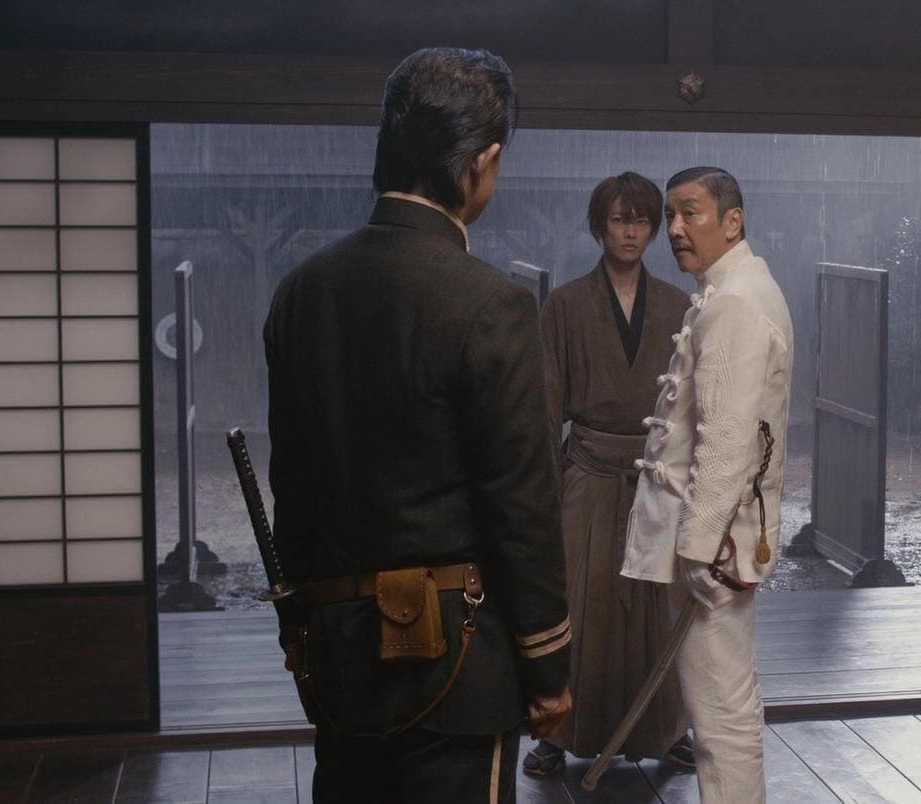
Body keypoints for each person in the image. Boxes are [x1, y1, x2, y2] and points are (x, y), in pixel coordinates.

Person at [262, 47, 572, 803]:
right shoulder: (490, 304)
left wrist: (300, 634)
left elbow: (292, 491)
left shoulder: (301, 293)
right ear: (481, 164)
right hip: (458, 662)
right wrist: (548, 664)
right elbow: (522, 508)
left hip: (338, 656)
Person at [622, 167, 794, 802]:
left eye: (690, 212)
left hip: (714, 547)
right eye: (670, 214)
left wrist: (698, 549)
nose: (674, 228)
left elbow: (726, 440)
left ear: (733, 221)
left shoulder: (735, 303)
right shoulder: (739, 289)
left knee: (720, 716)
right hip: (722, 537)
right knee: (726, 706)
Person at [522, 172, 696, 777]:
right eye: (620, 220)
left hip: (656, 474)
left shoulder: (677, 306)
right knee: (579, 600)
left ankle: (666, 727)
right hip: (589, 475)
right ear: (600, 227)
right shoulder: (565, 305)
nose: (631, 232)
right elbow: (546, 406)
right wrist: (542, 494)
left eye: (642, 221)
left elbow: (691, 408)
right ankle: (556, 732)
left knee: (658, 604)